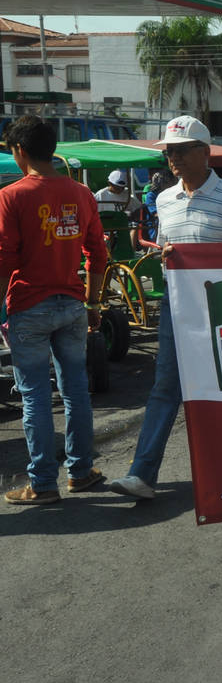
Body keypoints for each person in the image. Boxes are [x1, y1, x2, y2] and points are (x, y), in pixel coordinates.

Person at [106, 116, 222, 501]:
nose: (173, 158)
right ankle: (142, 474)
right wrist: (167, 256)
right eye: (169, 151)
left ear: (205, 154)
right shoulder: (163, 199)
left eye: (181, 150)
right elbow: (165, 251)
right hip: (177, 304)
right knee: (165, 387)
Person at [0, 116, 109, 505]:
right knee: (76, 392)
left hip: (29, 306)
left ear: (21, 152)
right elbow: (98, 253)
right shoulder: (82, 193)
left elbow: (5, 260)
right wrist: (94, 302)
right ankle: (80, 472)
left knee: (35, 398)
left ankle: (43, 483)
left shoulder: (12, 196)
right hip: (73, 306)